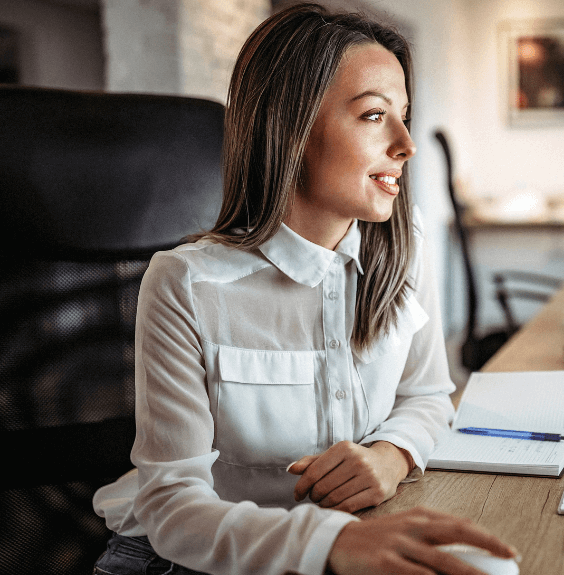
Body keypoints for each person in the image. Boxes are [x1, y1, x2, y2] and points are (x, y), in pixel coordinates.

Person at [92, 4, 516, 574]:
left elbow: (428, 395)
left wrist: (390, 457)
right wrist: (330, 544)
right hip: (191, 557)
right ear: (289, 128)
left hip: (354, 541)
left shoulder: (403, 245)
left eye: (404, 116)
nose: (405, 144)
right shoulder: (186, 284)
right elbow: (171, 508)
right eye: (373, 116)